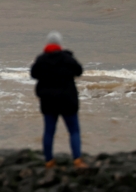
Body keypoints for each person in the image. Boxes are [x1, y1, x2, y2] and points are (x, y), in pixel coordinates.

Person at [31, 31, 86, 169]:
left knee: (49, 131)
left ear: (47, 44)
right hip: (67, 100)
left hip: (48, 101)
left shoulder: (41, 59)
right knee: (74, 131)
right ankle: (77, 160)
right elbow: (79, 71)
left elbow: (33, 74)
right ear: (60, 44)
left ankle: (49, 161)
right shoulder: (67, 59)